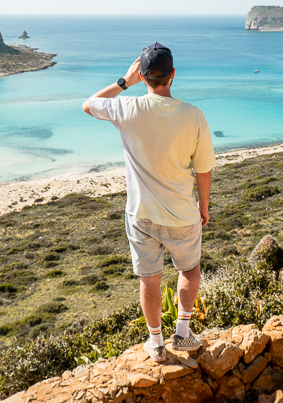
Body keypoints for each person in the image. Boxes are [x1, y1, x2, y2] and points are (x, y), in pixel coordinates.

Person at [82, 42, 216, 362]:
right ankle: (182, 335)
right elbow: (204, 169)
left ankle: (156, 342)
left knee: (149, 279)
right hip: (183, 214)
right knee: (190, 268)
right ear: (172, 75)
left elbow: (89, 105)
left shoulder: (128, 109)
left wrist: (123, 82)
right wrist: (203, 207)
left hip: (141, 214)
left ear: (143, 76)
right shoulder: (194, 115)